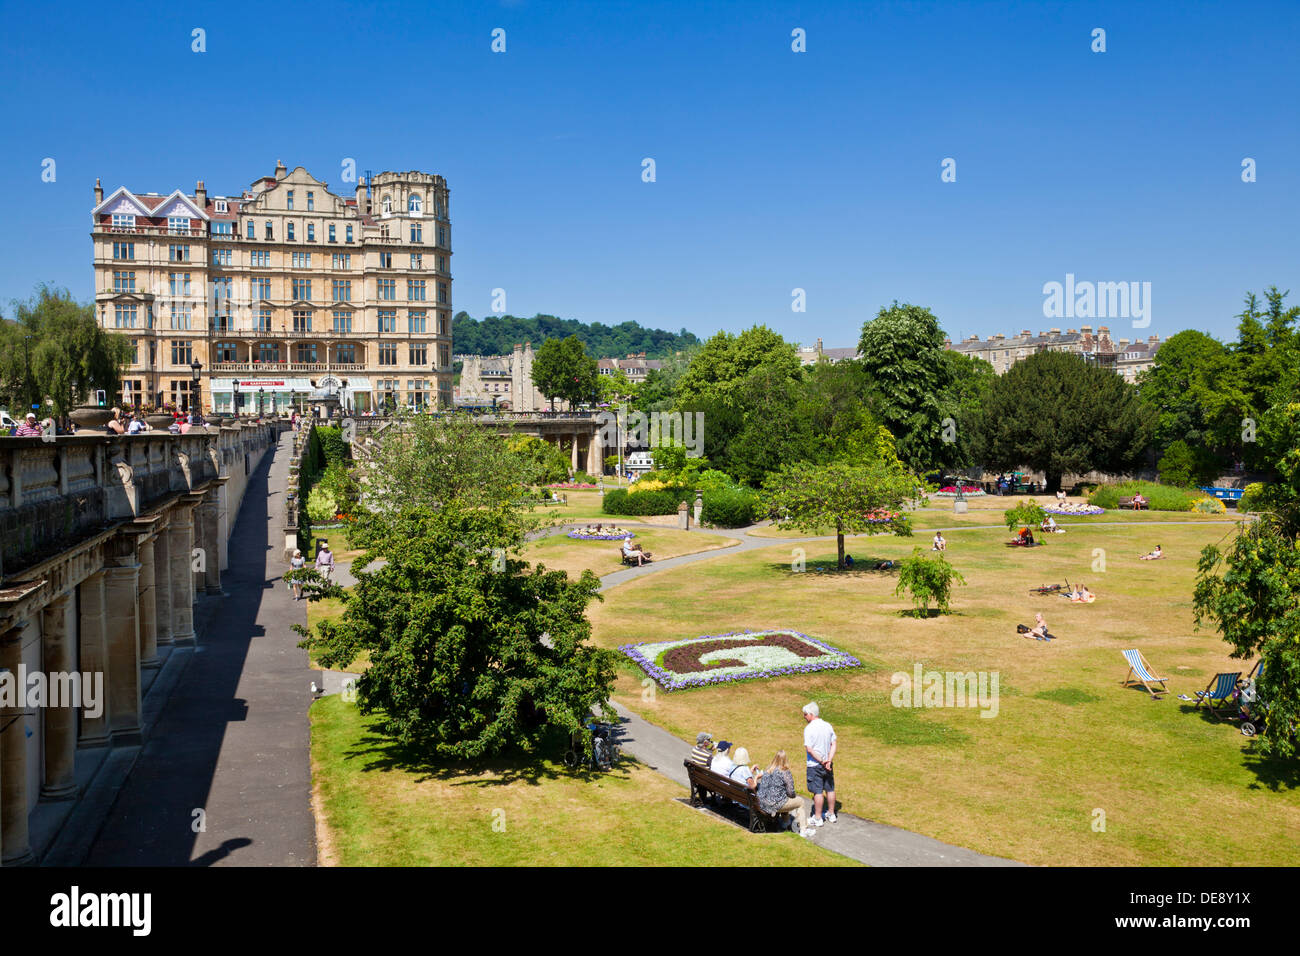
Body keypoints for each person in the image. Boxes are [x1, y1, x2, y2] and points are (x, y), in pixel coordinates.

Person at [757, 750, 813, 837]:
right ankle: (803, 830)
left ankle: (785, 822)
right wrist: (790, 795)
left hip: (763, 803)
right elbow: (791, 792)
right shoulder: (785, 772)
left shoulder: (767, 769)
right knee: (800, 801)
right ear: (785, 760)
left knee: (783, 797)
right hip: (775, 804)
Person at [802, 702, 837, 826]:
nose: (804, 717)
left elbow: (809, 749)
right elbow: (834, 743)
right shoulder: (827, 726)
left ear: (811, 714)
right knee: (830, 789)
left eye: (805, 714)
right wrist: (829, 759)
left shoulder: (809, 728)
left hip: (815, 764)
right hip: (828, 764)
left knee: (818, 791)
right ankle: (831, 813)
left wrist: (822, 761)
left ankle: (817, 818)